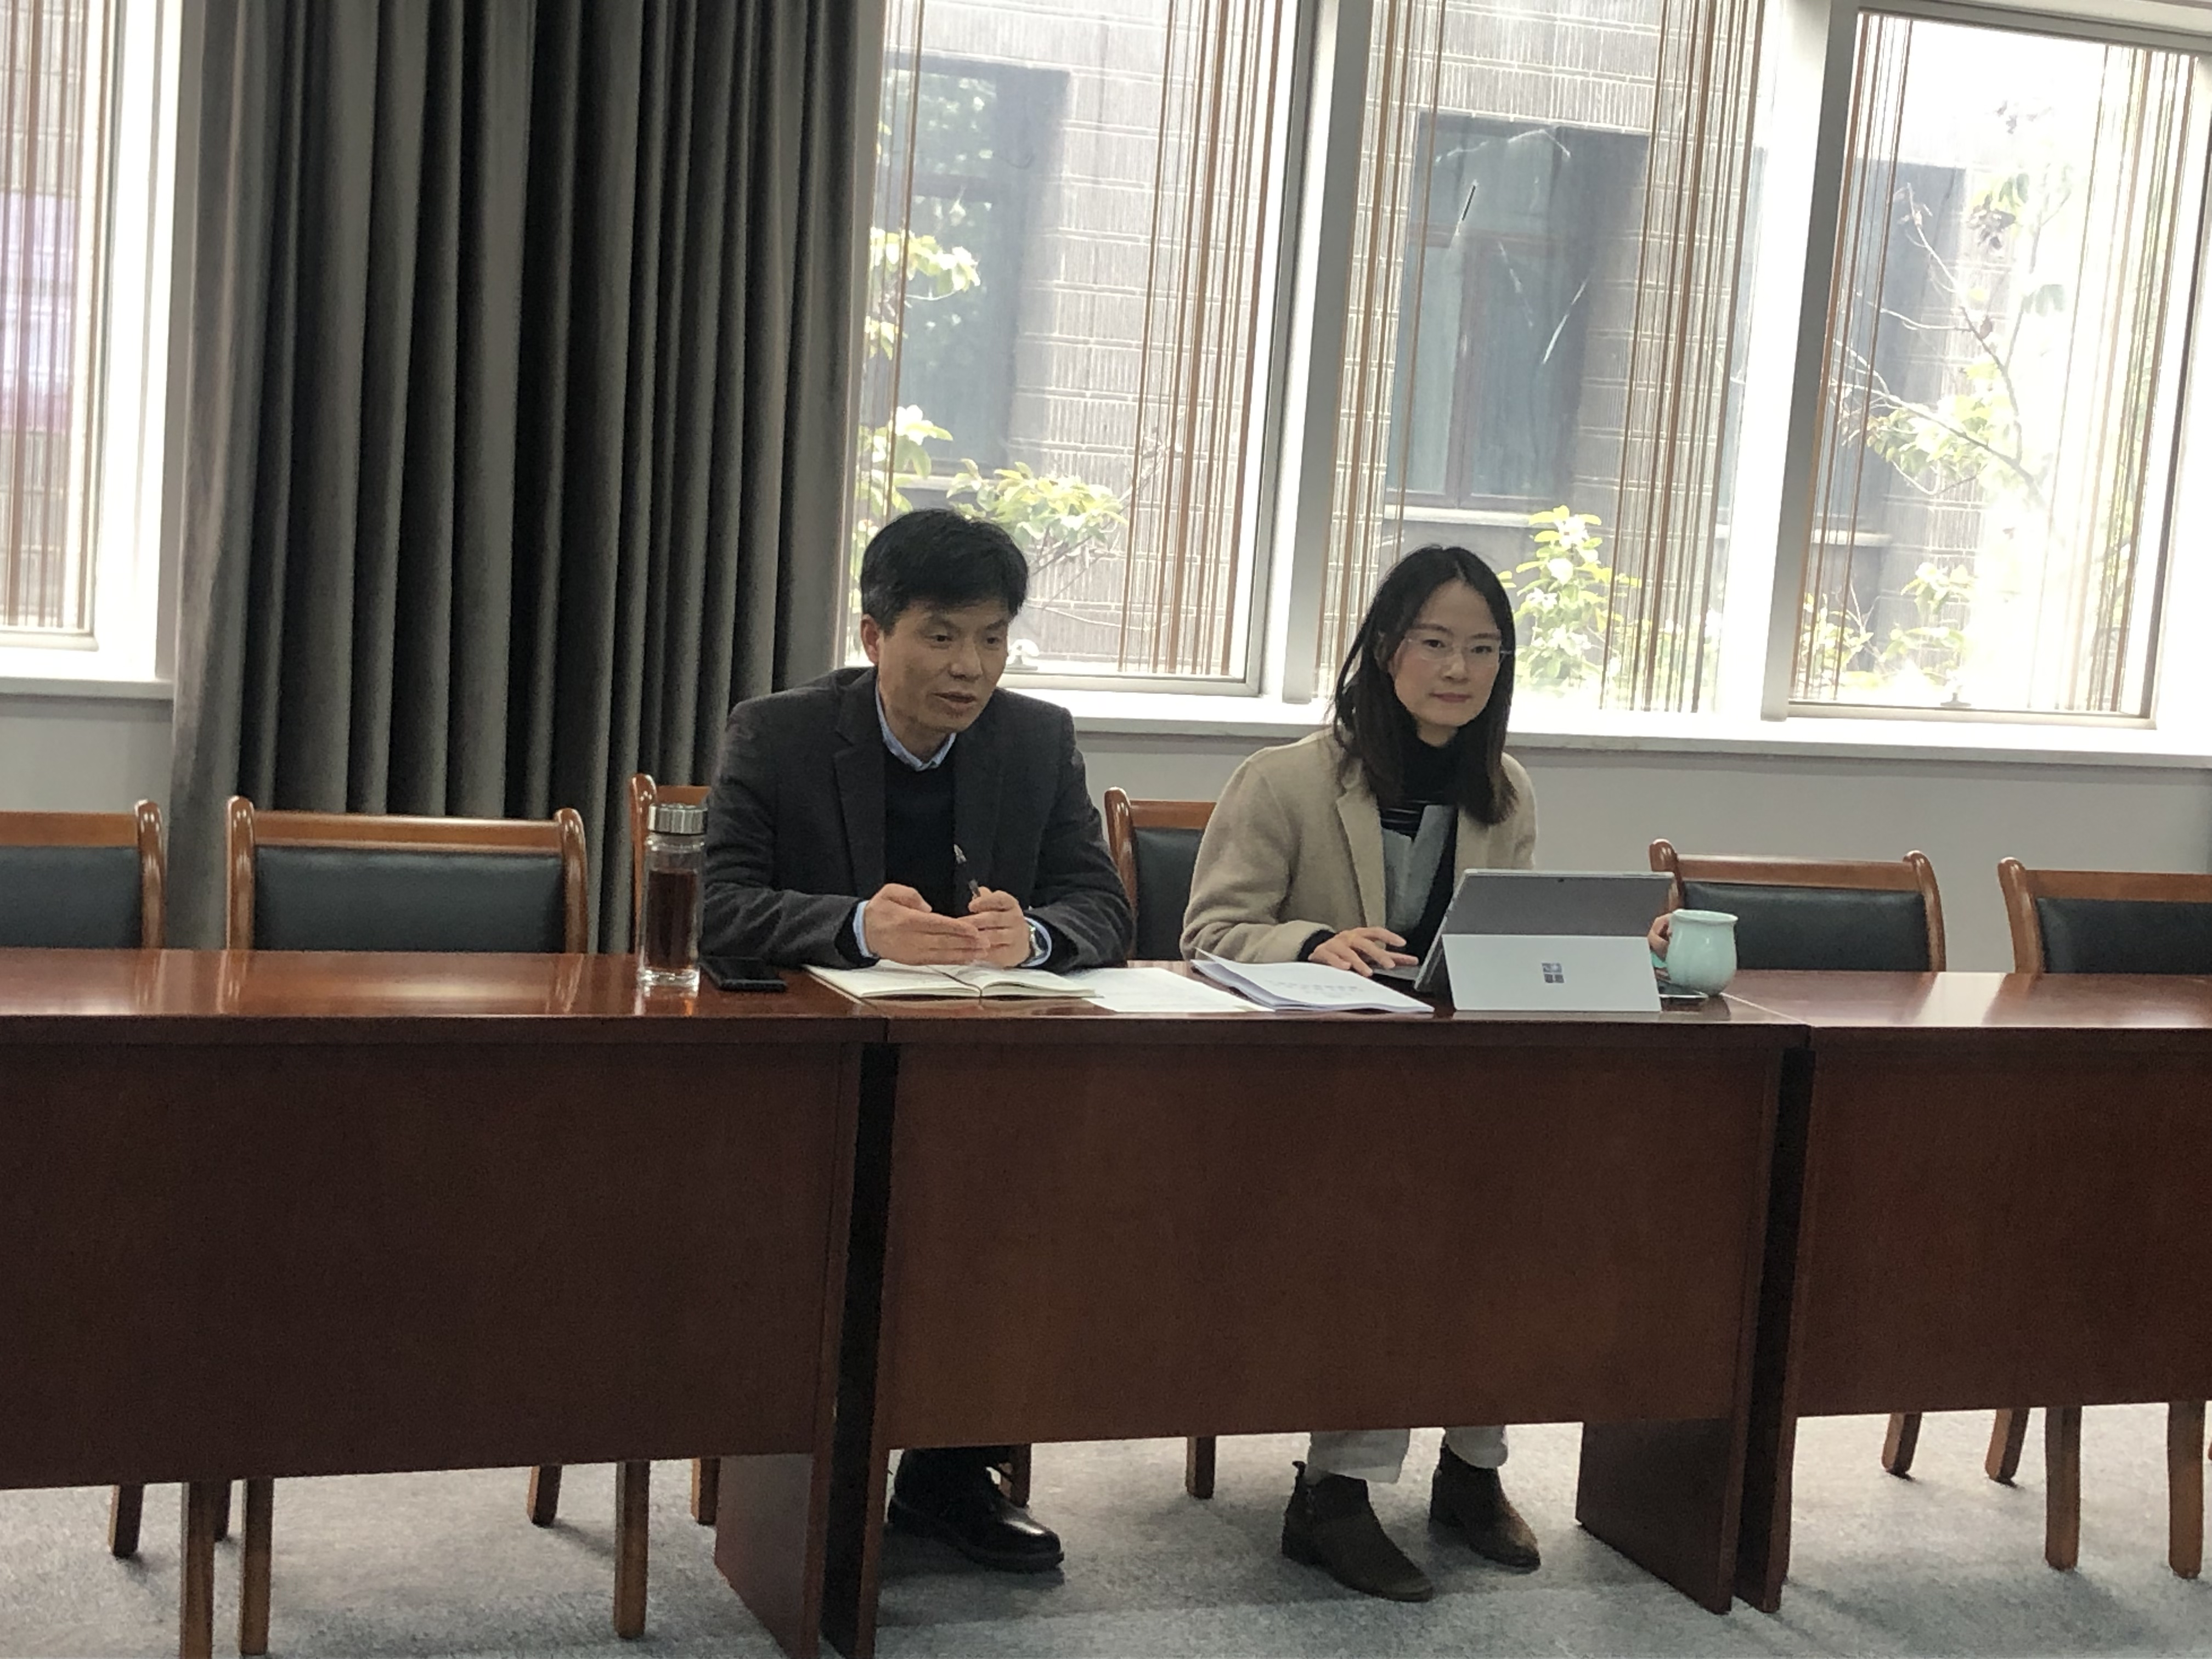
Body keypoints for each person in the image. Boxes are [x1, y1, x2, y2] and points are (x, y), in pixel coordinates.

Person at [701, 506, 1132, 1572]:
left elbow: (1102, 907)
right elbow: (720, 911)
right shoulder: (778, 734)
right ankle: (815, 1474)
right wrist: (857, 926)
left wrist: (1032, 934)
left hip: (978, 1080)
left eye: (992, 638)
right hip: (813, 1081)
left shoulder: (1036, 740)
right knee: (854, 1219)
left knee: (1022, 1205)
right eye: (941, 636)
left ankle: (950, 1477)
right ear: (873, 635)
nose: (970, 667)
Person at [1180, 544, 1542, 1604]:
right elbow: (1206, 934)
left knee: (1525, 1203)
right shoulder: (1285, 780)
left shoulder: (1505, 791)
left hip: (1451, 1089)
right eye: (1435, 642)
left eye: (1484, 649)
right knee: (1399, 1212)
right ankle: (1332, 1495)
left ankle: (1472, 1472)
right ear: (1386, 649)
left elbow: (1502, 946)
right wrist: (1312, 943)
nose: (1459, 670)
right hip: (1310, 1096)